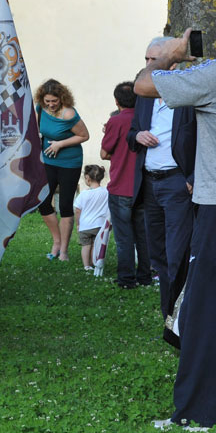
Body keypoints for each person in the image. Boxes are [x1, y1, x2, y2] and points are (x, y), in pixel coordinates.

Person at [133, 29, 214, 430]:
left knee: (200, 308)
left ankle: (198, 411)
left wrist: (172, 53)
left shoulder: (211, 75)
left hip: (214, 205)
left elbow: (143, 84)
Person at [129, 37, 196, 310]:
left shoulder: (189, 94)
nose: (148, 65)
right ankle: (168, 314)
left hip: (177, 183)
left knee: (177, 253)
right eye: (146, 59)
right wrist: (138, 136)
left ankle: (179, 317)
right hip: (149, 184)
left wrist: (193, 177)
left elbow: (204, 138)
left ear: (172, 60)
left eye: (153, 60)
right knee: (157, 255)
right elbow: (132, 133)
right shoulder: (144, 96)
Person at [101, 81, 151, 287]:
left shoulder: (116, 121)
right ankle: (145, 277)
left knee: (124, 237)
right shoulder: (146, 119)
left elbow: (104, 153)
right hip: (143, 187)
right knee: (143, 236)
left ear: (116, 101)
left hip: (120, 186)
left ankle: (126, 279)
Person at [35, 79, 89, 261]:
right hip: (47, 161)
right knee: (43, 201)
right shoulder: (39, 109)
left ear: (62, 98)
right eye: (47, 101)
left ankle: (64, 251)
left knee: (65, 205)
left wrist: (60, 144)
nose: (50, 105)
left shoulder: (68, 114)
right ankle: (56, 241)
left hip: (69, 162)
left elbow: (84, 135)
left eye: (54, 101)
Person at [73, 165, 109, 270]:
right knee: (94, 245)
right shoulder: (106, 192)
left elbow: (77, 210)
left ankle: (86, 266)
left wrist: (78, 224)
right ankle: (94, 263)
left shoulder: (84, 194)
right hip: (99, 225)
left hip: (85, 226)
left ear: (87, 178)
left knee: (85, 246)